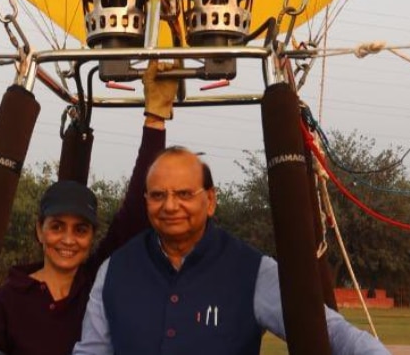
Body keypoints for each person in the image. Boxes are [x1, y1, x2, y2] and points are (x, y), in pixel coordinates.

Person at [73, 148, 391, 355]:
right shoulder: (115, 270)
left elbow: (330, 332)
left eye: (184, 194)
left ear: (210, 201)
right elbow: (91, 351)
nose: (170, 206)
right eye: (158, 195)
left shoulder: (253, 272)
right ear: (146, 203)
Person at [0, 61, 178, 355]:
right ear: (40, 230)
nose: (69, 239)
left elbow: (137, 209)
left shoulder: (97, 284)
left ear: (92, 235)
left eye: (80, 229)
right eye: (57, 226)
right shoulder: (6, 300)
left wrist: (155, 118)